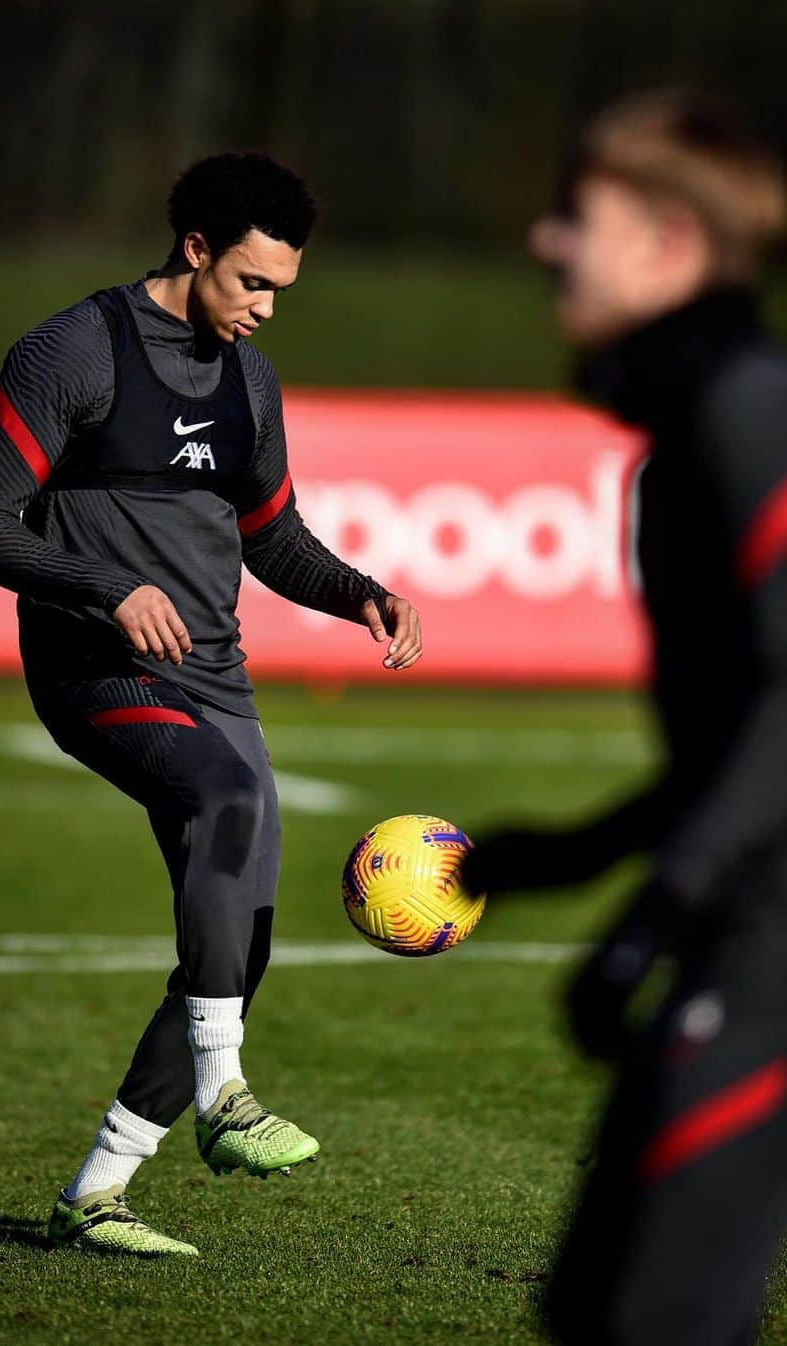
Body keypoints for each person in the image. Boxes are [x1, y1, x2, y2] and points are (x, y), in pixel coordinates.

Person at [0, 152, 422, 1256]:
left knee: (235, 943)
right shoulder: (72, 350)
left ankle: (95, 1193)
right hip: (94, 667)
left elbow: (272, 538)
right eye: (252, 283)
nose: (265, 309)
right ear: (197, 248)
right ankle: (227, 1097)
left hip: (216, 673)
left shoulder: (251, 382)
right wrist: (110, 587)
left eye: (282, 292)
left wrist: (359, 589)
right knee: (223, 794)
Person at [461, 90, 787, 1345]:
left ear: (665, 242)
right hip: (740, 931)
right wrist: (579, 854)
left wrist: (662, 900)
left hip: (766, 950)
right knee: (608, 1305)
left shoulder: (745, 408)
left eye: (572, 216)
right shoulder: (687, 435)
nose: (547, 243)